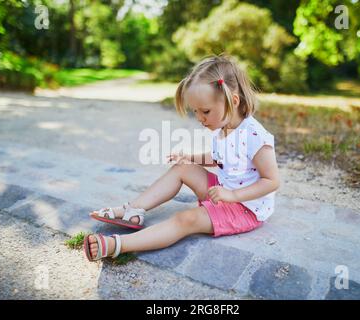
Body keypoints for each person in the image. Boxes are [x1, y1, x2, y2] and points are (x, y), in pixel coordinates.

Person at [84, 54, 280, 261]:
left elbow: (272, 181)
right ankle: (133, 210)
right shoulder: (223, 127)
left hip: (245, 207)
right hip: (222, 191)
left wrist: (232, 197)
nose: (199, 118)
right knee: (182, 167)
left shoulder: (255, 136)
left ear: (233, 101)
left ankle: (117, 245)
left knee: (185, 219)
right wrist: (189, 158)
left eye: (205, 111)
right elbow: (219, 158)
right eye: (195, 111)